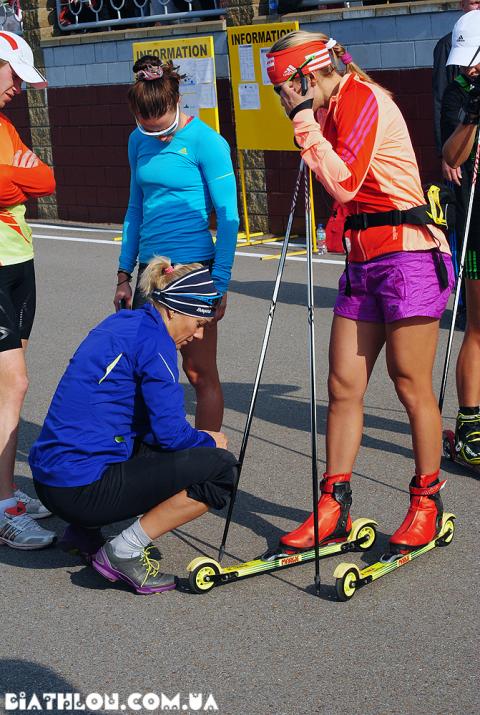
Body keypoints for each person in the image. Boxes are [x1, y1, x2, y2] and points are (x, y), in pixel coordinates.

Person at [266, 30, 454, 554]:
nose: (283, 99)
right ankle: (334, 504)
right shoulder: (327, 110)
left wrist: (304, 121)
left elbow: (345, 181)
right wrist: (310, 123)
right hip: (364, 258)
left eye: (285, 87)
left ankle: (426, 502)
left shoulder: (365, 100)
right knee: (343, 384)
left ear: (308, 75)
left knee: (409, 381)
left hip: (409, 255)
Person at [29, 258, 238, 594]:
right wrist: (209, 440)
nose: (197, 334)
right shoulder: (157, 344)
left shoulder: (123, 322)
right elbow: (171, 434)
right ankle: (123, 552)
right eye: (198, 323)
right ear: (172, 310)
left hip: (50, 479)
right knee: (220, 470)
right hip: (79, 489)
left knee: (137, 435)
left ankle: (83, 531)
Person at [114, 55, 239, 432]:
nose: (158, 137)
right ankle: (150, 466)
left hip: (193, 270)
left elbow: (229, 217)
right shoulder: (137, 141)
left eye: (163, 127)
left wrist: (220, 282)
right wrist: (123, 273)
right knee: (145, 374)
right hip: (149, 275)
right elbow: (135, 208)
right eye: (148, 130)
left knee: (200, 374)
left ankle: (206, 469)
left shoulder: (206, 142)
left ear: (177, 101)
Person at [0, 30, 56, 549]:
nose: (18, 87)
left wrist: (17, 177)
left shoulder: (6, 127)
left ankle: (8, 491)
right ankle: (1, 505)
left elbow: (45, 180)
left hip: (20, 258)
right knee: (11, 385)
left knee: (11, 385)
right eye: (14, 74)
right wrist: (16, 177)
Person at [442, 11, 480, 465]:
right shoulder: (460, 92)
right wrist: (473, 115)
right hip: (477, 223)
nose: (468, 69)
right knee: (478, 326)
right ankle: (471, 426)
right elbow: (451, 153)